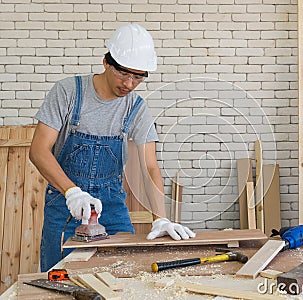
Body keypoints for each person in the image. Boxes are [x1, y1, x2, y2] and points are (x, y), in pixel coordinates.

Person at [29, 23, 195, 272]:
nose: (129, 84)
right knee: (60, 279)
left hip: (112, 205)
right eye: (123, 73)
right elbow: (38, 150)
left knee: (126, 273)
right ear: (106, 62)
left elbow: (150, 167)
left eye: (138, 76)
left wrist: (160, 218)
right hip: (66, 206)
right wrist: (72, 192)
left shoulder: (136, 109)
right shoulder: (68, 92)